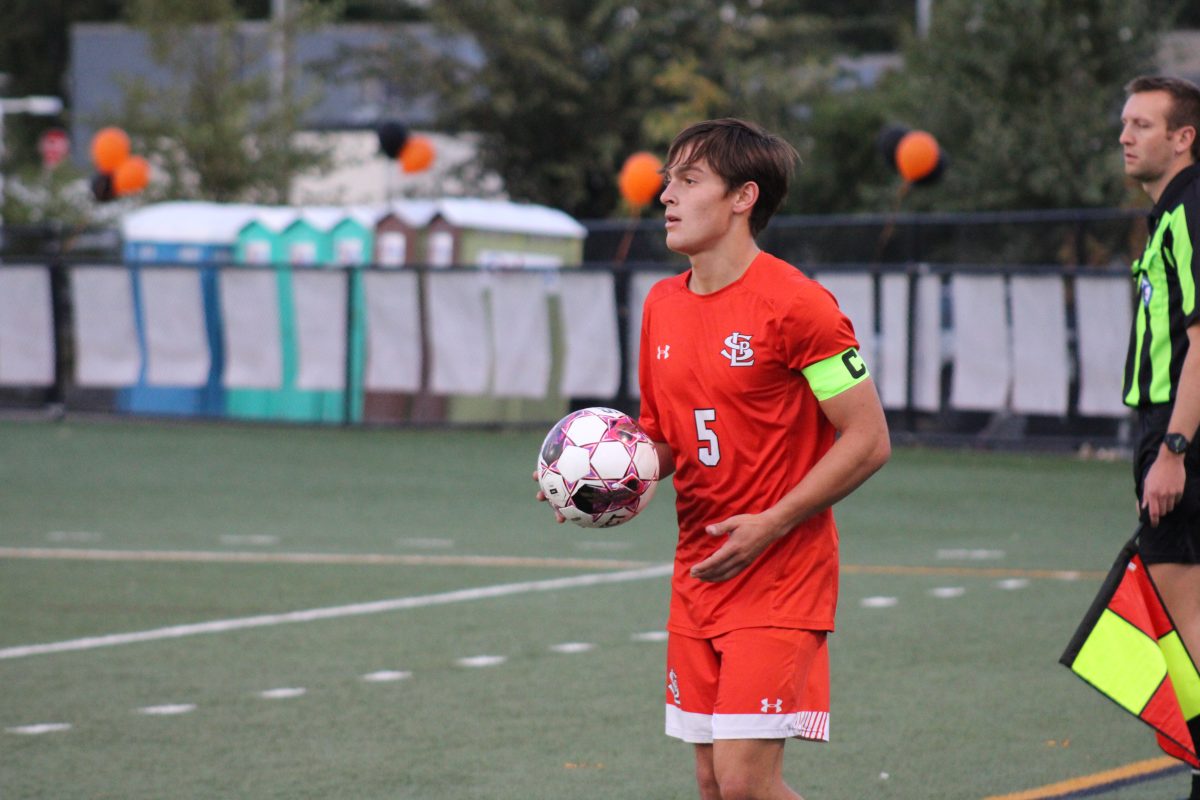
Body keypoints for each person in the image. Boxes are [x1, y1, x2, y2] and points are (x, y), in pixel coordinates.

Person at [638, 118, 891, 799]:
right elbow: (663, 435)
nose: (667, 196)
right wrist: (604, 476)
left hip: (781, 574)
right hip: (698, 572)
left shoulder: (800, 305)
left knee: (745, 781)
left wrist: (771, 522)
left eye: (688, 181)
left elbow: (868, 440)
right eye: (669, 180)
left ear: (743, 198)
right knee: (711, 783)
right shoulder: (661, 304)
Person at [1119, 74, 1200, 797]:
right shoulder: (1169, 215)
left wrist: (1173, 449)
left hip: (1180, 436)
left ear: (1184, 138)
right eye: (1126, 124)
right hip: (1171, 431)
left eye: (1143, 124)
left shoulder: (1190, 212)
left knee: (1185, 630)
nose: (1125, 136)